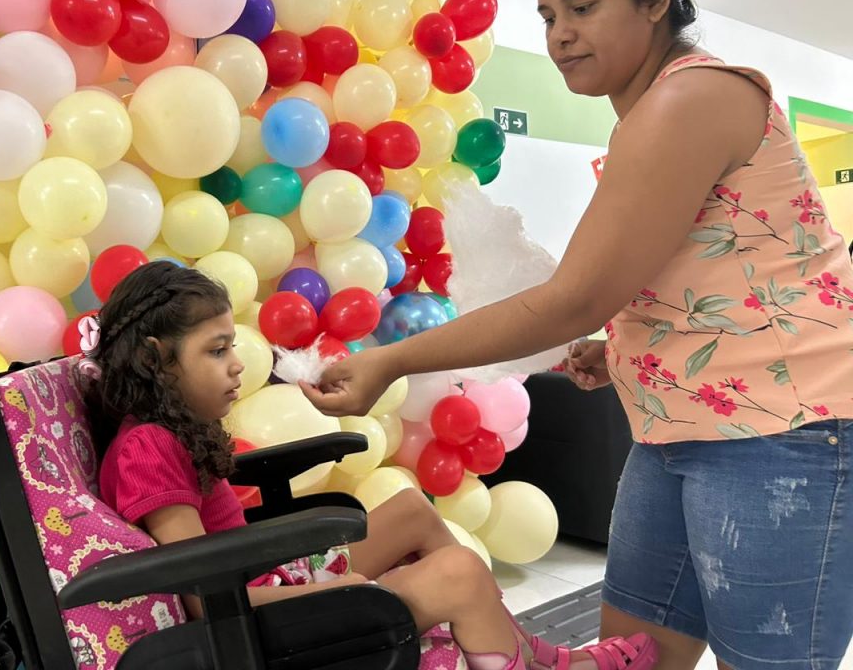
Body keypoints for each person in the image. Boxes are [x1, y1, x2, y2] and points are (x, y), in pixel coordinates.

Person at [302, 0, 853, 670]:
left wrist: (394, 360)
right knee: (634, 654)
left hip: (782, 435)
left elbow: (574, 295)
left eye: (584, 7)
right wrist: (623, 347)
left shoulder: (694, 99)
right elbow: (675, 277)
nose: (559, 34)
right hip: (673, 432)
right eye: (549, 14)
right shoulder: (647, 121)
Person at [79, 261, 657, 670]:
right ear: (156, 360)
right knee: (458, 572)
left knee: (410, 508)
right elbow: (203, 596)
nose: (237, 365)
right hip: (250, 619)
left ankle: (533, 655)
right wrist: (330, 594)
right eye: (216, 350)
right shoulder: (149, 451)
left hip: (269, 582)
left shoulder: (169, 434)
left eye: (232, 345)